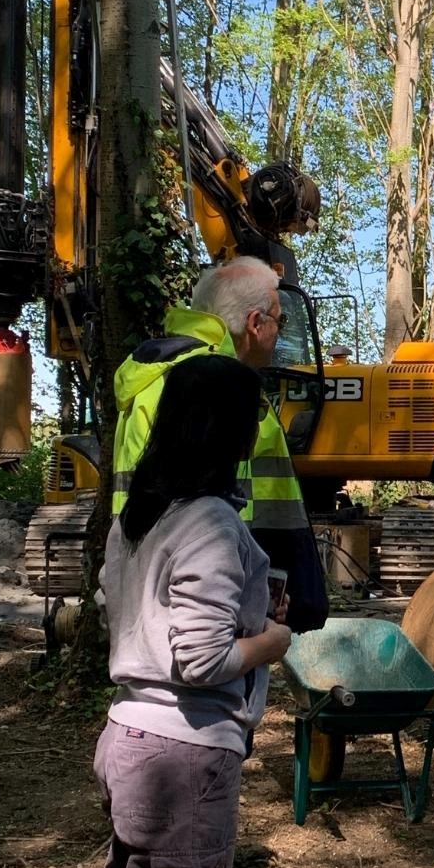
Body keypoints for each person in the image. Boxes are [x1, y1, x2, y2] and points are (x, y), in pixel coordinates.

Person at [94, 353, 292, 868]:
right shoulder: (210, 521)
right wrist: (271, 641)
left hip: (127, 738)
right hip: (182, 757)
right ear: (232, 430)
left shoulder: (137, 516)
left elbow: (129, 609)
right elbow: (201, 661)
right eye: (253, 417)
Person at [111, 256, 328, 632]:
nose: (280, 333)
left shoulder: (162, 378)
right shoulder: (213, 389)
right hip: (217, 595)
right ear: (255, 323)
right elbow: (212, 508)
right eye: (280, 321)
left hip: (159, 586)